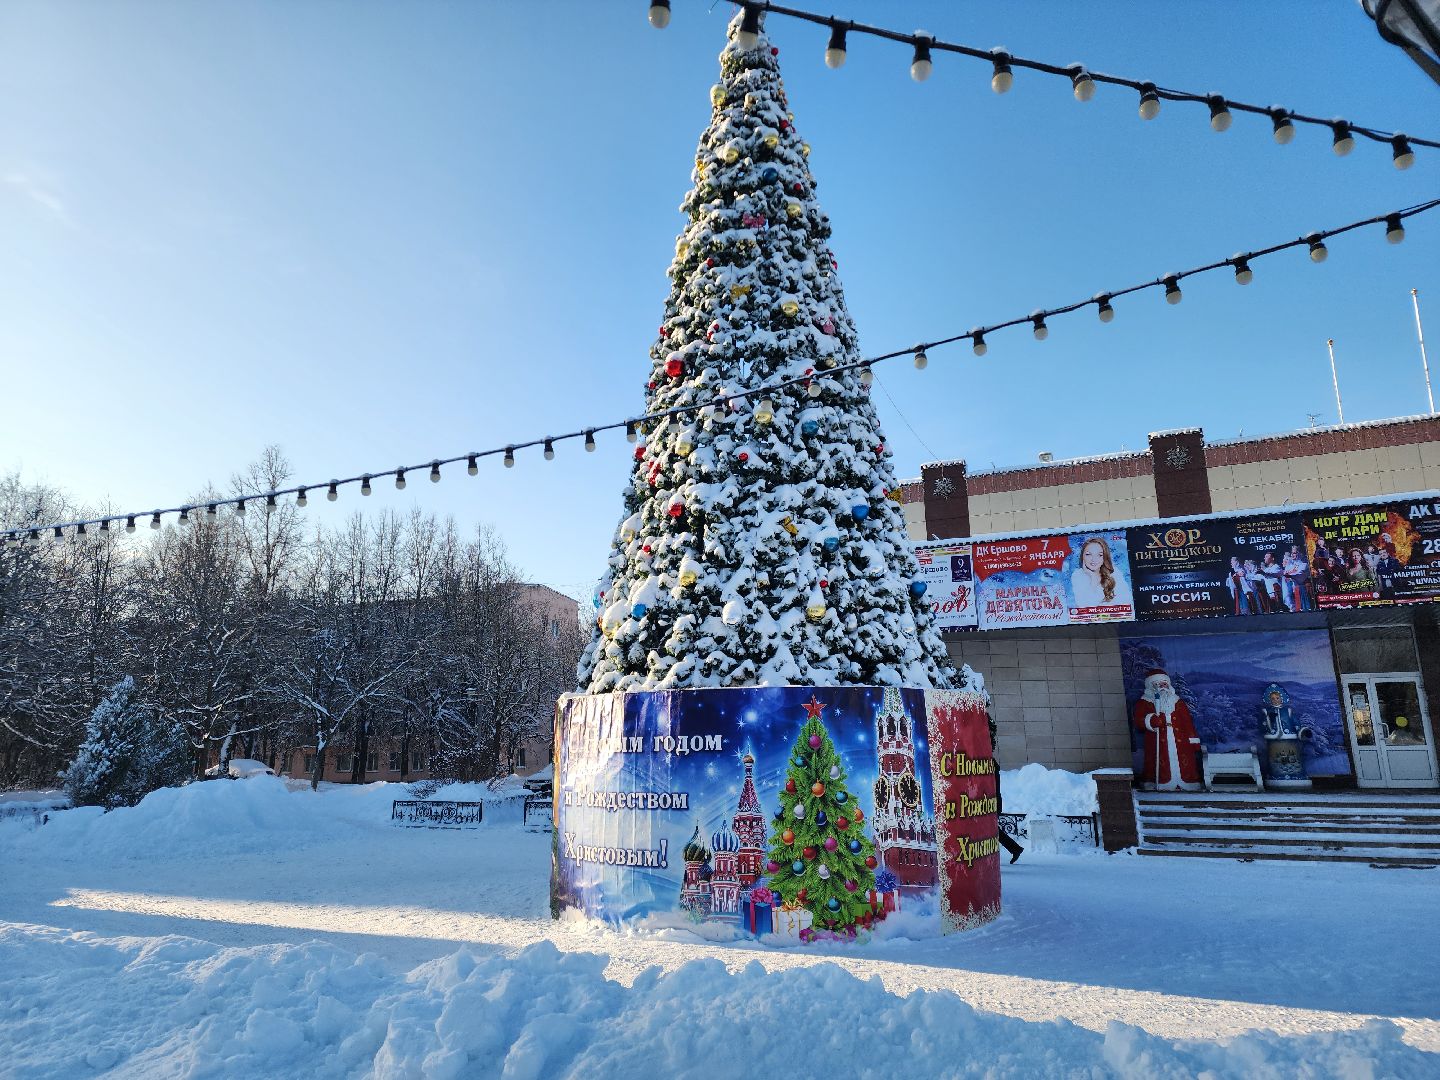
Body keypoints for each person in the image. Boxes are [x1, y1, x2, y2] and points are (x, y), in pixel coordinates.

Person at [1132, 668, 1202, 791]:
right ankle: (1159, 784)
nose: (1162, 686)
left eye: (1164, 683)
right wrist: (1152, 720)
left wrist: (1193, 741)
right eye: (1158, 684)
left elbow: (1187, 722)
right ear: (1152, 686)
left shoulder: (1177, 701)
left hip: (1180, 740)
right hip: (1157, 739)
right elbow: (1139, 720)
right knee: (1158, 762)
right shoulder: (1145, 702)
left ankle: (1185, 784)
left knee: (1183, 761)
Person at [987, 710, 1024, 864]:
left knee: (991, 830)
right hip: (994, 801)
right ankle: (1015, 849)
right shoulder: (992, 764)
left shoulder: (990, 765)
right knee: (992, 830)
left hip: (992, 802)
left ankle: (1013, 849)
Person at [1070, 537, 1132, 609]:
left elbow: (1126, 600)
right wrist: (1093, 578)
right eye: (1088, 554)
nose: (1094, 559)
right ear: (1082, 556)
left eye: (1099, 555)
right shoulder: (1078, 575)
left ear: (1105, 557)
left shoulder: (1114, 572)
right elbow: (1085, 606)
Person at [1282, 544, 1311, 611]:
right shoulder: (1290, 564)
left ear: (1300, 553)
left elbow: (1300, 575)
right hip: (1291, 588)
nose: (1292, 555)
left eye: (1295, 553)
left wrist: (1290, 576)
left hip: (1300, 588)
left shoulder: (1304, 564)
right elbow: (1285, 573)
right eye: (1292, 553)